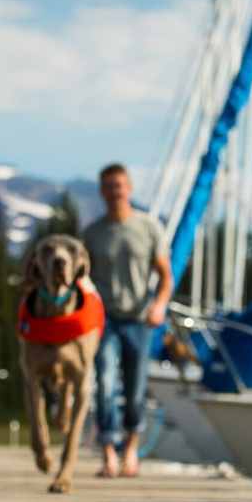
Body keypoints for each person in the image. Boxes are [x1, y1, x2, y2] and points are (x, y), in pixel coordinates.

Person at [82, 163, 173, 478]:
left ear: (129, 188)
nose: (114, 191)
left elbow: (164, 275)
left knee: (135, 389)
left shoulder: (148, 227)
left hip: (138, 319)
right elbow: (83, 280)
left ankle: (131, 450)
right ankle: (108, 452)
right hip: (104, 320)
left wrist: (159, 305)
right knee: (105, 382)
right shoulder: (92, 234)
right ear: (101, 191)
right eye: (108, 186)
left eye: (118, 185)